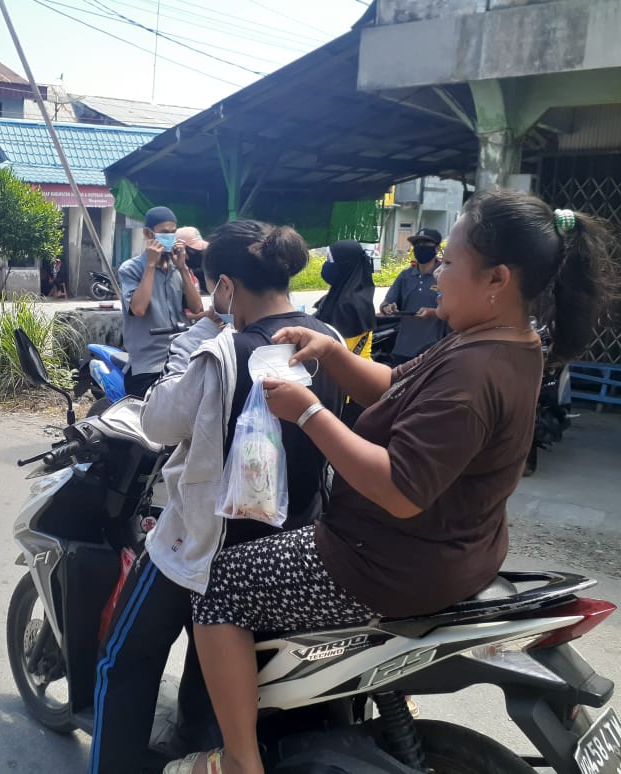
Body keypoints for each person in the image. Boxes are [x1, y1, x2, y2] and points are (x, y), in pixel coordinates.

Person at [166, 191, 614, 774]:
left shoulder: (475, 372)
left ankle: (239, 759)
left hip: (385, 561)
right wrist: (330, 354)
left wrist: (308, 413)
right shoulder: (495, 340)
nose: (434, 275)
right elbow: (393, 383)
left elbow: (399, 490)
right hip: (458, 548)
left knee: (217, 581)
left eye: (448, 262)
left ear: (497, 279)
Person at [90, 220, 345, 774]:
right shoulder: (327, 339)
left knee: (123, 662)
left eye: (213, 288)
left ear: (225, 286)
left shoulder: (220, 351)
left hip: (207, 549)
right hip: (293, 544)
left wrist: (202, 331)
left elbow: (158, 422)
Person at [118, 206, 204, 397]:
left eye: (173, 232)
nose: (170, 237)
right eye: (165, 232)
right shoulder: (131, 269)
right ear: (148, 233)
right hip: (148, 364)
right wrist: (150, 265)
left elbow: (197, 308)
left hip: (181, 357)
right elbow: (138, 309)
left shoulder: (178, 269)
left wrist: (183, 268)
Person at [380, 227, 449, 365]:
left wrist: (433, 312)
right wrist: (387, 308)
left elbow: (456, 310)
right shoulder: (405, 276)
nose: (420, 247)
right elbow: (385, 304)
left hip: (434, 349)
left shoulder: (446, 276)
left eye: (425, 244)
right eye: (417, 244)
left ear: (437, 248)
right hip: (403, 348)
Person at [314, 240, 376, 359]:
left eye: (329, 259)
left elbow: (339, 351)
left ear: (344, 265)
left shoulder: (349, 305)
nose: (326, 264)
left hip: (347, 368)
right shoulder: (342, 295)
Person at [175, 225, 209, 291]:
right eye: (193, 251)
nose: (201, 252)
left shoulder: (208, 270)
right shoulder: (175, 275)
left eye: (203, 249)